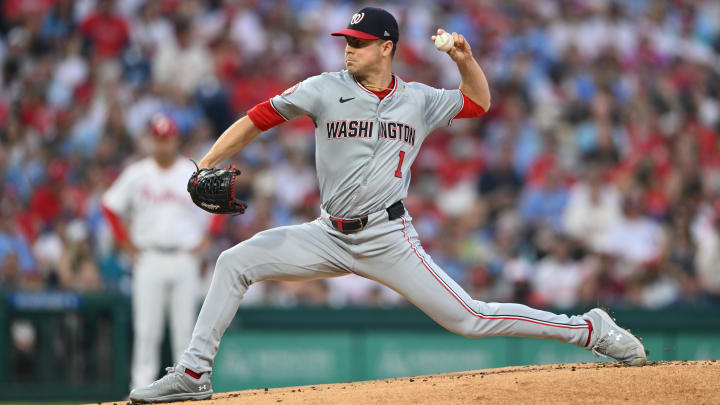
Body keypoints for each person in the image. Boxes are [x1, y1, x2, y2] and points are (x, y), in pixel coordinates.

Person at [129, 8, 647, 403]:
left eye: (358, 43)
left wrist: (465, 60)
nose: (347, 50)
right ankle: (194, 373)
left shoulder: (419, 99)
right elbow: (257, 118)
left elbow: (479, 103)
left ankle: (591, 329)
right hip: (328, 233)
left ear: (386, 48)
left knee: (469, 318)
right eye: (346, 42)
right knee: (233, 261)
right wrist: (205, 163)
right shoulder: (323, 88)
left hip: (388, 237)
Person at [102, 113, 211, 391]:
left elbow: (216, 206)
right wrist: (124, 242)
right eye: (159, 139)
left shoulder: (190, 173)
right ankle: (139, 389)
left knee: (184, 333)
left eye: (168, 139)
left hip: (184, 257)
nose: (163, 145)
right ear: (152, 141)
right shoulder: (137, 173)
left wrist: (209, 236)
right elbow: (109, 205)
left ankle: (186, 391)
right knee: (147, 331)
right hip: (148, 257)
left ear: (175, 139)